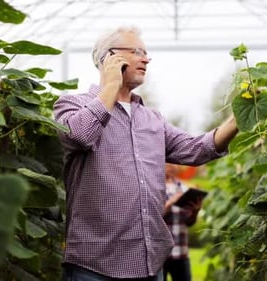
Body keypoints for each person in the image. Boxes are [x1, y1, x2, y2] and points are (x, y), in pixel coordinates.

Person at [53, 25, 238, 281]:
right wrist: (111, 85)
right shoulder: (71, 105)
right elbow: (80, 135)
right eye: (137, 51)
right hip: (93, 265)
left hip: (149, 265)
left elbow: (198, 149)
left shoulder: (152, 119)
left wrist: (238, 118)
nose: (146, 59)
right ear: (109, 57)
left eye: (146, 53)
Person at [163, 164, 202, 281]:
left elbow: (189, 223)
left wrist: (195, 212)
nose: (171, 167)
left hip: (181, 252)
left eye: (174, 164)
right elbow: (151, 217)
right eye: (167, 164)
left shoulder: (185, 189)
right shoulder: (154, 189)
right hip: (160, 254)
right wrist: (171, 203)